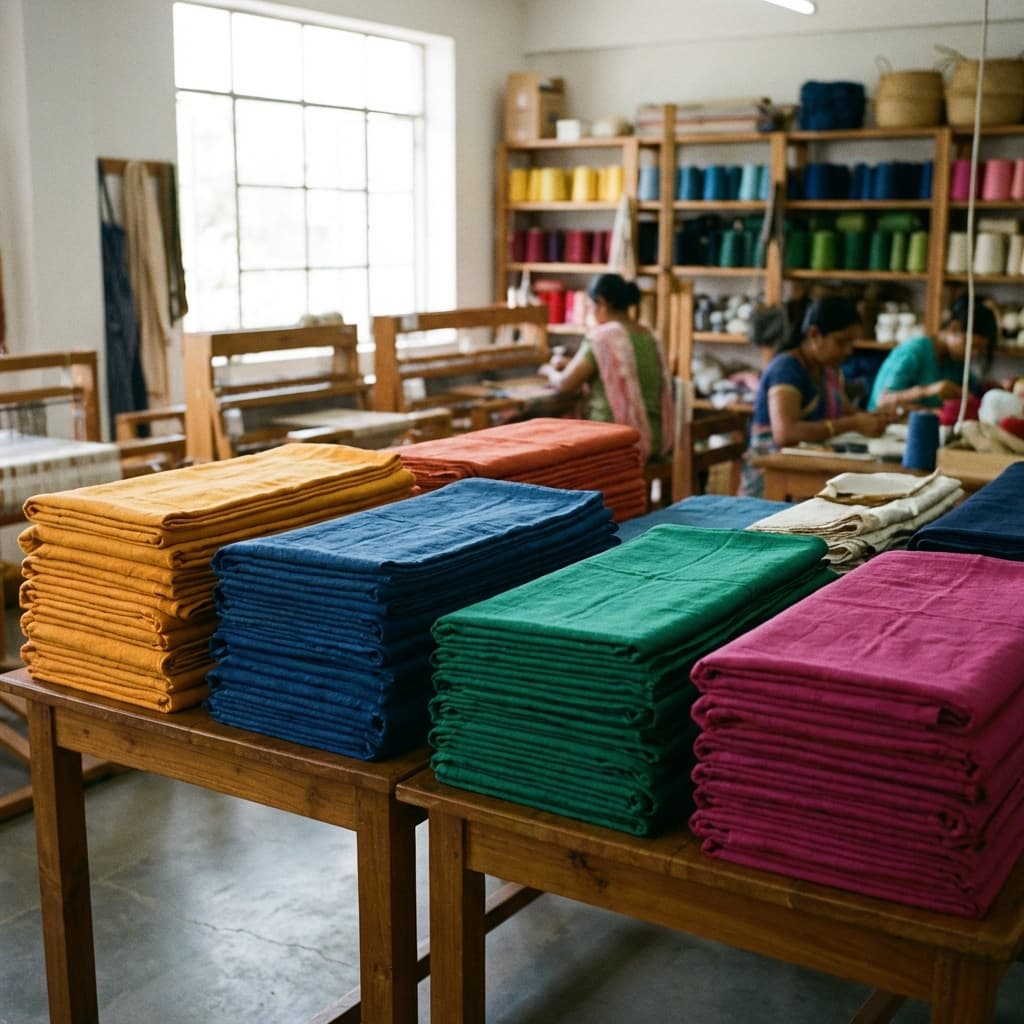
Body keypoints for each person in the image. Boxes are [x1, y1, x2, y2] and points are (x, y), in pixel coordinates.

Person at [740, 294, 890, 497]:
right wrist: (855, 424)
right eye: (841, 341)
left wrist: (879, 417)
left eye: (851, 343)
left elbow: (848, 413)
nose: (848, 351)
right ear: (814, 334)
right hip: (772, 477)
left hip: (806, 469)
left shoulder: (827, 371)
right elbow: (785, 433)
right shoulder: (786, 368)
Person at [538, 273, 674, 462]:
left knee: (548, 441)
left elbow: (564, 384)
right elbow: (620, 368)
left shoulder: (602, 337)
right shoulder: (649, 334)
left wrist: (547, 370)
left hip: (618, 440)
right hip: (657, 436)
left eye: (591, 306)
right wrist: (570, 364)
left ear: (601, 303)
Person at [867, 295, 998, 412]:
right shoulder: (914, 351)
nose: (974, 354)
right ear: (954, 328)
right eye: (973, 346)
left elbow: (972, 393)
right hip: (883, 430)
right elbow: (882, 401)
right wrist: (927, 391)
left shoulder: (956, 361)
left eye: (980, 350)